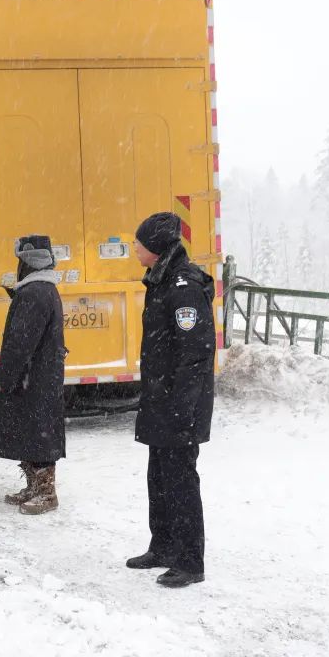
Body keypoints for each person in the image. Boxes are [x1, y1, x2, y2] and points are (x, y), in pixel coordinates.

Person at [127, 212, 215, 588]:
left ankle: (190, 562)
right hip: (161, 400)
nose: (134, 247)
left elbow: (195, 355)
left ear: (156, 247)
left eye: (139, 242)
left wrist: (181, 407)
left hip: (180, 405)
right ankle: (162, 546)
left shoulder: (183, 287)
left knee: (180, 483)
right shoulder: (161, 279)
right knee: (159, 479)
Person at [0, 235, 66, 515]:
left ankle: (46, 494)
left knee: (39, 433)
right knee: (32, 431)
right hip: (38, 376)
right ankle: (35, 488)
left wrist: (3, 376)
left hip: (34, 378)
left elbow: (20, 343)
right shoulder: (43, 289)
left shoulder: (35, 293)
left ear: (27, 263)